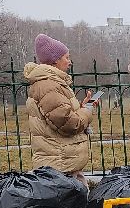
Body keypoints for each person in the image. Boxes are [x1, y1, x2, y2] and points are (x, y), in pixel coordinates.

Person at [24, 33, 96, 183]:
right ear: (55, 60)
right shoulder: (48, 86)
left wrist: (83, 106)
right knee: (70, 204)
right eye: (66, 57)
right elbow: (69, 123)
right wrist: (87, 111)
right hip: (60, 164)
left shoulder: (52, 83)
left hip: (63, 161)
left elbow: (60, 114)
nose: (69, 62)